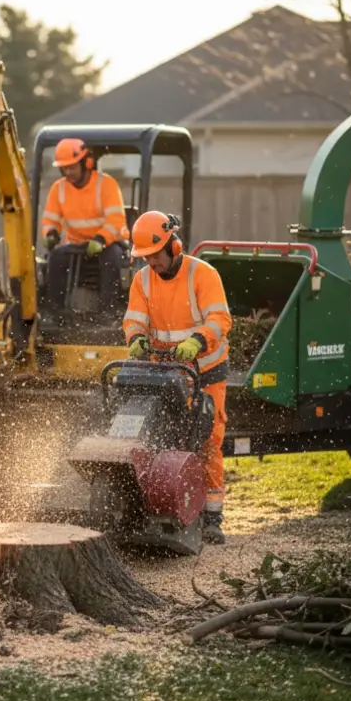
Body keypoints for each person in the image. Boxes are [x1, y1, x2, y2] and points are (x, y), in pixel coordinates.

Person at [122, 211, 232, 544]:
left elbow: (219, 318)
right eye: (146, 257)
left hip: (205, 371)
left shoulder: (203, 274)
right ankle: (160, 504)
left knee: (207, 438)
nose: (151, 262)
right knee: (157, 434)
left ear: (174, 245)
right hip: (163, 372)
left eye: (154, 255)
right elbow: (134, 319)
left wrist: (197, 341)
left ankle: (212, 516)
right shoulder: (142, 280)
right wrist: (136, 338)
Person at [39, 137, 129, 316]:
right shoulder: (59, 189)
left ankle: (108, 313)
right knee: (55, 258)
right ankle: (56, 314)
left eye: (72, 167)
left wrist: (101, 239)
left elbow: (116, 220)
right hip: (76, 245)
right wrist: (50, 234)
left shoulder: (106, 184)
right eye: (64, 168)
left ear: (86, 163)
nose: (68, 172)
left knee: (112, 259)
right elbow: (50, 219)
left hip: (108, 243)